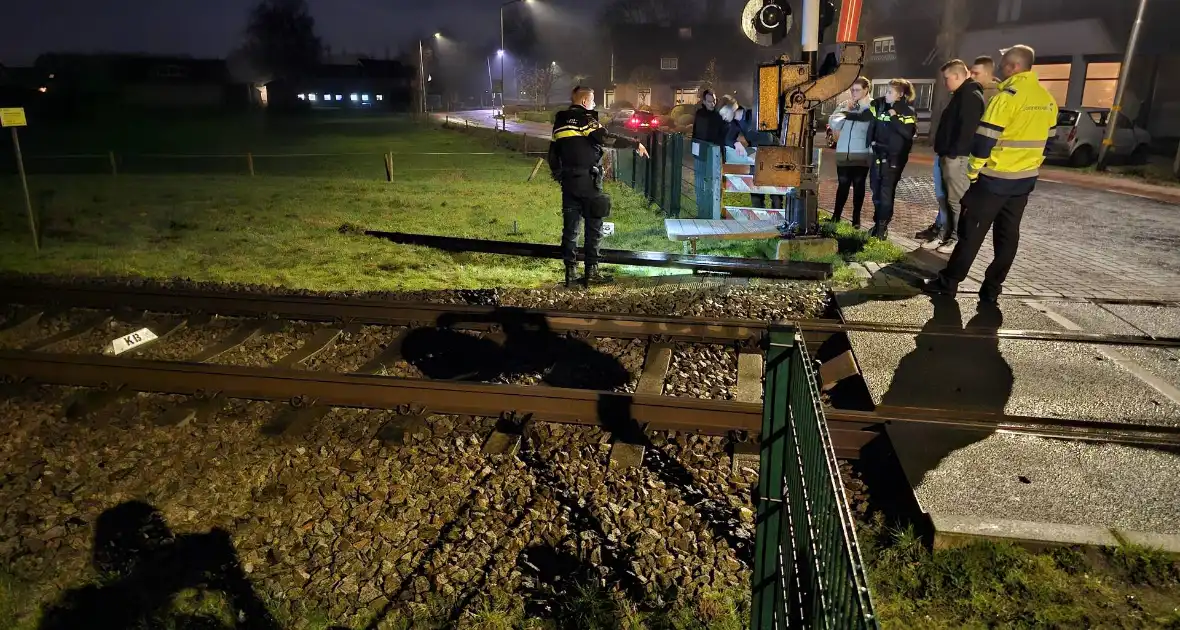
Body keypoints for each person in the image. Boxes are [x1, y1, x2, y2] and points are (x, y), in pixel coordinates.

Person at [923, 45, 1058, 304]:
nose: (1001, 70)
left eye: (1004, 65)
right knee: (1008, 237)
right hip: (1023, 182)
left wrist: (973, 173)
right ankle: (992, 288)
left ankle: (949, 282)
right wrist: (1031, 165)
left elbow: (984, 141)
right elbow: (1049, 142)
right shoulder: (1046, 99)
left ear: (1014, 67)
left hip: (994, 180)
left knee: (970, 233)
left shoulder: (1006, 98)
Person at [548, 86, 649, 288]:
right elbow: (606, 138)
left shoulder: (559, 122)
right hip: (588, 180)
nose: (594, 104)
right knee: (594, 226)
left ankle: (570, 274)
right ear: (585, 101)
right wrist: (635, 143)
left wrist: (561, 176)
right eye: (593, 101)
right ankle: (591, 272)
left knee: (570, 229)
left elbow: (553, 154)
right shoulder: (586, 120)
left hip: (569, 182)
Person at [922, 59, 986, 254]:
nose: (944, 82)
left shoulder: (971, 96)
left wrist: (953, 153)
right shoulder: (960, 95)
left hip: (957, 158)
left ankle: (955, 238)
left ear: (958, 76)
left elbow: (967, 130)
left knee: (955, 201)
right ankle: (944, 235)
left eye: (946, 78)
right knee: (945, 200)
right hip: (948, 156)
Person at [866, 78, 918, 240]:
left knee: (886, 192)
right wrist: (870, 143)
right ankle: (877, 222)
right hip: (877, 155)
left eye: (890, 92)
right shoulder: (881, 106)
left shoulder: (908, 111)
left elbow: (908, 134)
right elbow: (872, 125)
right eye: (886, 91)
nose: (886, 95)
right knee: (875, 189)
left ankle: (882, 227)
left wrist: (894, 117)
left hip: (894, 159)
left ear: (900, 94)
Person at [827, 77, 874, 228]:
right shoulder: (845, 104)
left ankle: (856, 220)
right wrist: (847, 109)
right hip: (843, 151)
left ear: (866, 90)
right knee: (843, 184)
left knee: (859, 185)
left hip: (861, 152)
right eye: (852, 89)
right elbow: (834, 122)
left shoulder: (871, 106)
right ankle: (836, 217)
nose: (853, 92)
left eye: (857, 89)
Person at [691, 90, 726, 214]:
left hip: (715, 155)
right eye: (710, 101)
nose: (712, 104)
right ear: (704, 102)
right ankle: (701, 209)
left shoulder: (719, 116)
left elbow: (723, 136)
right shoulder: (699, 115)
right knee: (700, 183)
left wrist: (722, 154)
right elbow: (695, 133)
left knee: (715, 184)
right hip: (700, 154)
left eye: (714, 101)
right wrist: (694, 150)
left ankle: (714, 210)